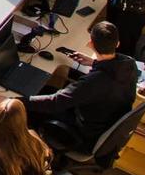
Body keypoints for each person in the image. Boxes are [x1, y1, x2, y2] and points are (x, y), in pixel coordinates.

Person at [25, 21, 138, 154]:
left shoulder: (94, 82)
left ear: (90, 43)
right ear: (117, 43)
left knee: (30, 108)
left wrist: (15, 101)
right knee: (46, 90)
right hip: (105, 121)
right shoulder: (129, 64)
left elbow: (55, 102)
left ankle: (36, 155)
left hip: (84, 135)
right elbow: (110, 75)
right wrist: (94, 63)